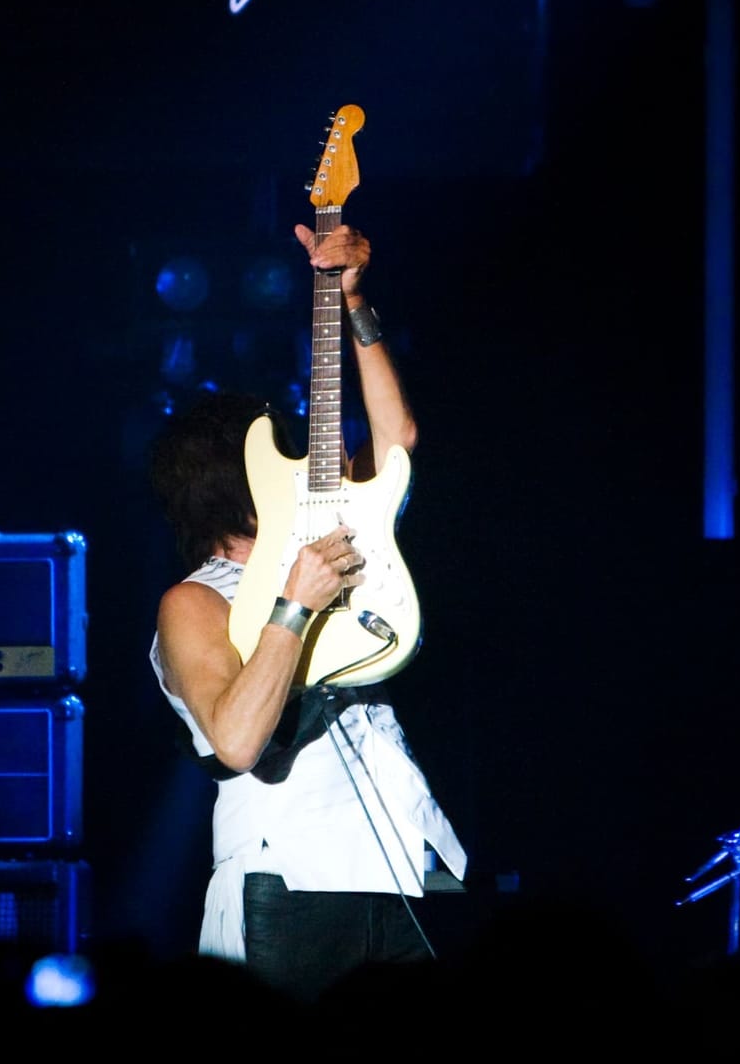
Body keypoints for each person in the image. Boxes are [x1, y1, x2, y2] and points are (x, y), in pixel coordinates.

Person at [148, 219, 467, 1003]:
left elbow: (397, 440)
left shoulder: (332, 536)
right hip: (292, 877)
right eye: (277, 452)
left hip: (402, 858)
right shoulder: (194, 601)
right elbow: (235, 738)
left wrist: (353, 300)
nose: (296, 463)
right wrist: (295, 603)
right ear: (238, 480)